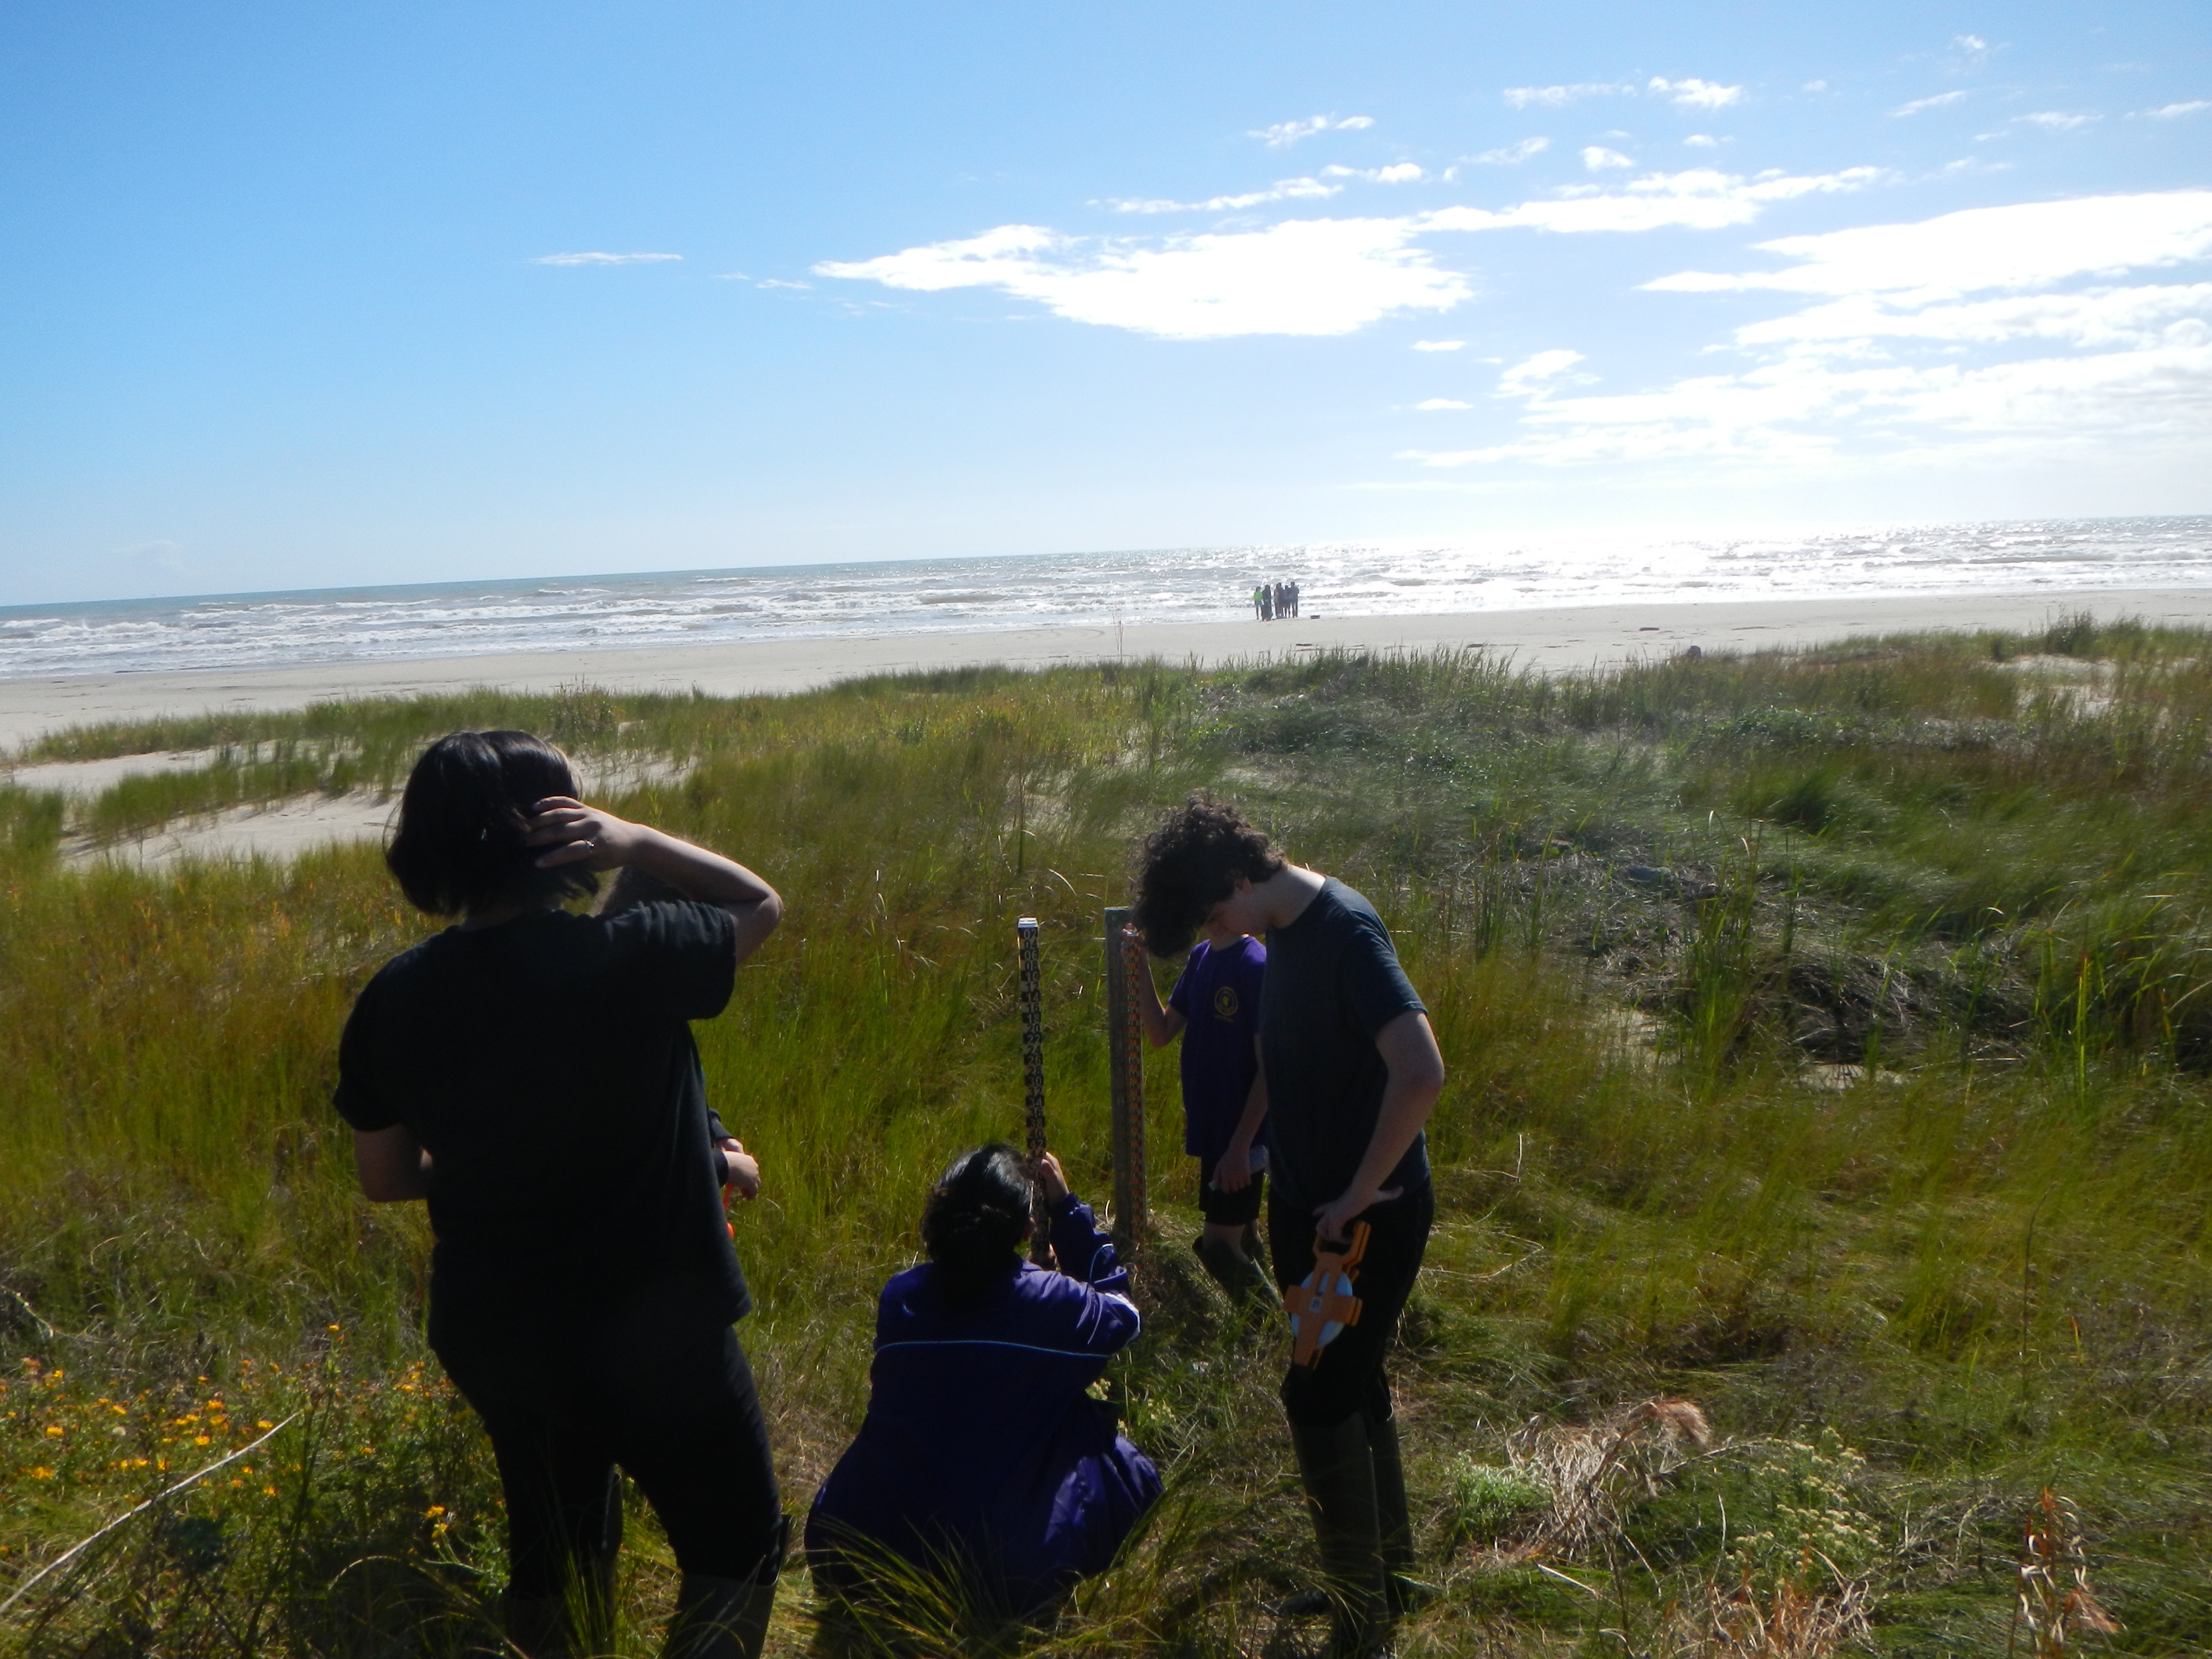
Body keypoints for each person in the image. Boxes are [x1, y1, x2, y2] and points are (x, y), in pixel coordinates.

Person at [333, 730, 787, 1659]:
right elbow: (758, 904)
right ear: (558, 833)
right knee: (736, 1543)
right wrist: (638, 841)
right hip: (655, 1325)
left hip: (497, 1327)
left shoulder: (393, 998)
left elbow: (386, 1179)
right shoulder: (632, 954)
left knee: (557, 1547)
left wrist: (492, 1160)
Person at [1133, 800, 1446, 1658]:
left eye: (1212, 915)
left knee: (1314, 1395)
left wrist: (1358, 1193)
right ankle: (1387, 1578)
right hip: (1306, 1209)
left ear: (1239, 880)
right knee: (1352, 1379)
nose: (1216, 934)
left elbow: (1421, 1072)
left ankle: (1360, 1624)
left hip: (1366, 1219)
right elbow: (1278, 1055)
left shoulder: (1345, 932)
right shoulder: (1281, 937)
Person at [806, 1146, 1160, 1623]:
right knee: (1117, 1460)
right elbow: (1125, 1313)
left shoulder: (901, 1296)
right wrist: (1067, 1211)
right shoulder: (1051, 1302)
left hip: (857, 1550)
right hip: (998, 1575)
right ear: (1027, 1229)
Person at [1131, 916, 1275, 1305]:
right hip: (1214, 1133)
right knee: (1243, 1235)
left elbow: (1271, 1070)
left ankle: (1278, 1328)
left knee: (1220, 1249)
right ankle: (1272, 1328)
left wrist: (1240, 1148)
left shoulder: (1255, 965)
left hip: (1242, 1138)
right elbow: (1160, 1032)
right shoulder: (1202, 957)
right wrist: (1139, 963)